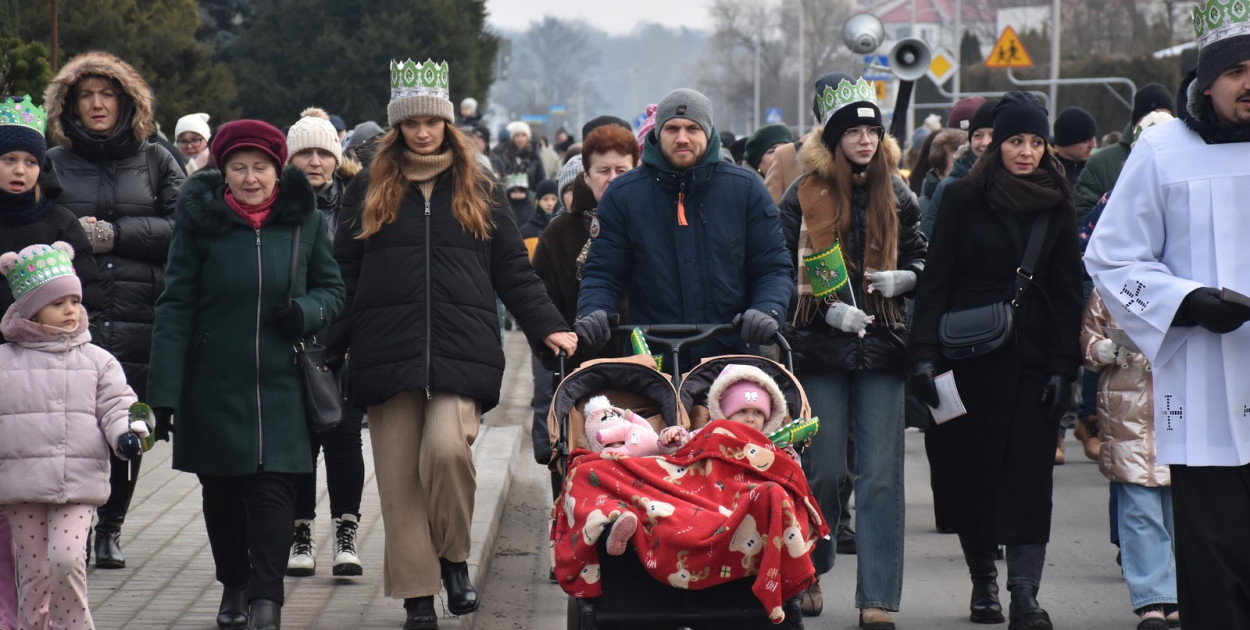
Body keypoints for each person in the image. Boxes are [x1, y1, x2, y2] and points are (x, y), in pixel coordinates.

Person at [330, 58, 576, 630]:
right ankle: (419, 599)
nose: (422, 131)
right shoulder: (368, 187)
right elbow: (344, 274)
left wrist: (546, 325)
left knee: (446, 452)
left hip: (461, 353)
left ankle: (455, 559)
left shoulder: (478, 186)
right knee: (397, 483)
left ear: (448, 124)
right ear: (397, 127)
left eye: (432, 121)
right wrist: (324, 344)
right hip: (384, 353)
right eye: (411, 122)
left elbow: (515, 269)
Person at [1083, 5, 1250, 625]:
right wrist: (1185, 302)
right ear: (1206, 80)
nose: (1248, 82)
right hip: (1204, 390)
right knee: (1215, 562)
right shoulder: (1162, 150)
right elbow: (1111, 256)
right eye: (1236, 70)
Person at [147, 119, 345, 630]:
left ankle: (266, 598)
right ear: (222, 169)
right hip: (214, 382)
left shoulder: (305, 222)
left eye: (261, 167)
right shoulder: (200, 223)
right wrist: (163, 393)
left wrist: (305, 311)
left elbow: (332, 291)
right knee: (224, 494)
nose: (251, 178)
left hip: (283, 381)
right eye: (239, 167)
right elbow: (175, 306)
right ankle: (234, 584)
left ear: (278, 170)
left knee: (274, 492)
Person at [910, 91, 1083, 630]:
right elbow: (936, 281)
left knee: (1031, 478)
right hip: (969, 361)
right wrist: (923, 358)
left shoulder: (1058, 200)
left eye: (1035, 142)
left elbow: (1067, 290)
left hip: (1034, 362)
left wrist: (1063, 367)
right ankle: (984, 581)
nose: (1026, 152)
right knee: (972, 475)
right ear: (996, 145)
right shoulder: (962, 198)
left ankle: (1025, 595)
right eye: (1016, 141)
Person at [776, 74, 925, 628]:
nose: (865, 139)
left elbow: (926, 257)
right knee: (820, 471)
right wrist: (820, 308)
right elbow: (776, 267)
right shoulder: (804, 191)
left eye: (873, 130)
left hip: (884, 348)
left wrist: (907, 277)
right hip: (819, 348)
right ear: (834, 137)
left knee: (881, 475)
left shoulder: (897, 190)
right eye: (855, 130)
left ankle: (878, 598)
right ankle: (809, 567)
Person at [43, 49, 185, 570]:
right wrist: (73, 239)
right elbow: (39, 226)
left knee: (131, 426)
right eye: (86, 95)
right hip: (70, 317)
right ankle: (76, 526)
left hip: (140, 314)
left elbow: (183, 228)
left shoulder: (156, 158)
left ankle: (113, 527)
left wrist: (114, 235)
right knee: (76, 430)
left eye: (108, 94)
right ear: (69, 104)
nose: (98, 104)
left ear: (127, 102)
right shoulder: (52, 162)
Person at [576, 88, 792, 368]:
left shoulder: (746, 190)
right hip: (653, 355)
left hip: (730, 352)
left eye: (692, 128)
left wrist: (766, 309)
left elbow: (773, 266)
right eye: (672, 128)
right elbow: (603, 272)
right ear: (658, 133)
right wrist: (595, 310)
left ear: (707, 131)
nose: (682, 138)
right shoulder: (623, 195)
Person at [0, 241, 149, 630]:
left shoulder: (98, 360)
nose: (71, 310)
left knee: (66, 561)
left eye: (74, 301)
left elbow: (122, 405)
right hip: (21, 487)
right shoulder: (4, 362)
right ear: (33, 309)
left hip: (77, 485)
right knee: (32, 577)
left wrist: (130, 432)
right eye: (58, 303)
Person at [282, 107, 367, 580]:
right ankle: (300, 531)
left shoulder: (358, 205)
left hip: (347, 340)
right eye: (304, 152)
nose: (314, 161)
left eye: (322, 152)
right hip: (294, 340)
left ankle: (347, 531)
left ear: (336, 158)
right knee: (299, 441)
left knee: (343, 436)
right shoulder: (277, 205)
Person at [1080, 290, 1179, 630]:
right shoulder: (1107, 289)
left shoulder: (1186, 277)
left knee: (1175, 507)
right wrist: (1102, 350)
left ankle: (1177, 593)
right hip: (1126, 411)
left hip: (1177, 405)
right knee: (1140, 507)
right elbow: (1089, 342)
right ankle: (1151, 599)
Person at [1074, 83, 1174, 222]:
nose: (1156, 123)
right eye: (1149, 116)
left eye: (1164, 116)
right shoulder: (1102, 162)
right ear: (1136, 121)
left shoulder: (1183, 159)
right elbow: (1083, 213)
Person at [921, 99, 996, 238]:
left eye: (992, 134)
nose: (985, 142)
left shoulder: (1019, 179)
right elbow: (931, 244)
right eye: (977, 135)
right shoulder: (949, 187)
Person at [1052, 106, 1097, 185]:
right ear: (1067, 141)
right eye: (1085, 140)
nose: (1093, 145)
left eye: (1093, 138)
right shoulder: (1047, 173)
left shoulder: (1096, 172)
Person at [499, 120, 545, 189]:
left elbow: (540, 180)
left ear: (528, 138)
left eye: (523, 135)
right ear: (512, 138)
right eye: (517, 135)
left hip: (530, 197)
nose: (520, 139)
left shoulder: (534, 158)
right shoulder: (503, 156)